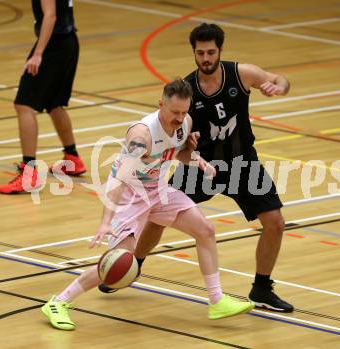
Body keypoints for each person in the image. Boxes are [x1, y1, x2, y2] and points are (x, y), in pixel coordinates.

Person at [100, 23, 294, 313]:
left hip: (243, 162)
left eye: (211, 52)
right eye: (200, 52)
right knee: (158, 216)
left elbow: (281, 79)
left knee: (275, 223)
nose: (206, 58)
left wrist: (279, 86)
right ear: (194, 52)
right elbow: (169, 125)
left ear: (220, 51)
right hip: (200, 165)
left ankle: (262, 289)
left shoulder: (241, 75)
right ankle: (131, 265)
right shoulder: (187, 91)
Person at [41, 79, 254, 330]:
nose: (180, 118)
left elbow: (176, 152)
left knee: (205, 230)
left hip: (158, 190)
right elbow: (118, 180)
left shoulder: (184, 123)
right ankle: (58, 302)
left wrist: (198, 161)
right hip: (129, 196)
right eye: (174, 112)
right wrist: (105, 222)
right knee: (117, 261)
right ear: (160, 104)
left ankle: (216, 300)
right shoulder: (141, 135)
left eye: (184, 112)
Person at [0, 0, 85, 195]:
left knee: (24, 105)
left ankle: (29, 173)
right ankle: (72, 158)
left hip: (54, 46)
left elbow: (50, 15)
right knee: (53, 103)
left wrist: (38, 53)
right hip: (68, 43)